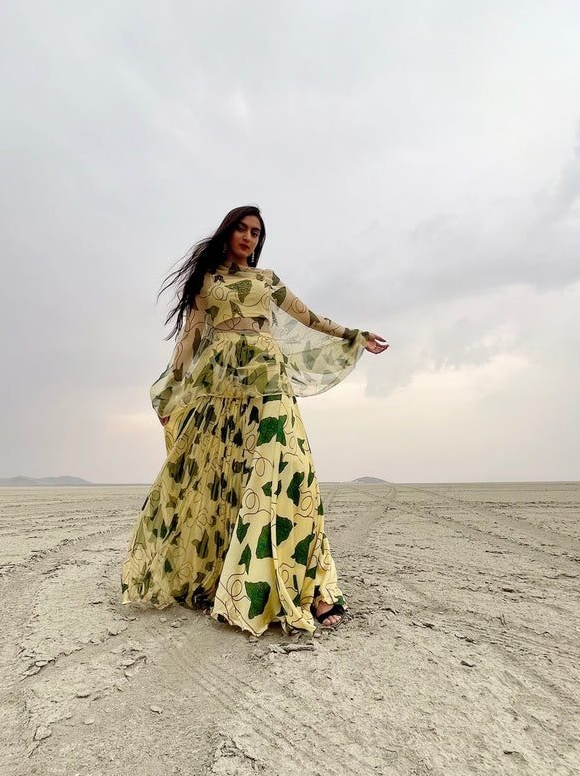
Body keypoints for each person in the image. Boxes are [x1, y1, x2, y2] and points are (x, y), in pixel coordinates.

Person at [121, 206, 388, 635]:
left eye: (256, 233)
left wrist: (352, 335)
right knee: (224, 478)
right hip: (220, 383)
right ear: (228, 233)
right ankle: (224, 583)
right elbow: (189, 339)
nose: (248, 237)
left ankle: (312, 590)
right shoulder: (207, 283)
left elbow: (309, 317)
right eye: (242, 230)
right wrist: (171, 392)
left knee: (289, 470)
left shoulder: (267, 280)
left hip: (267, 378)